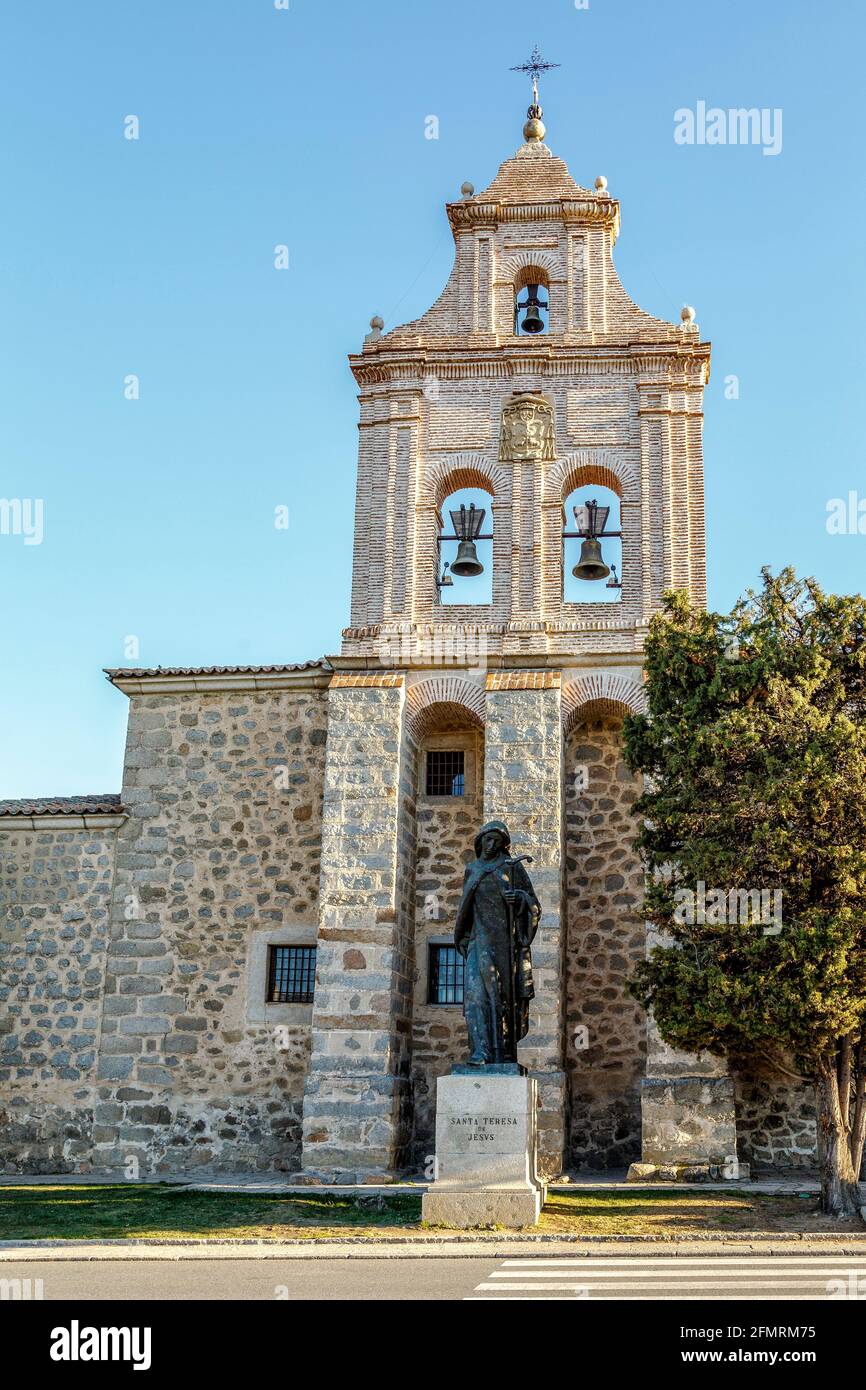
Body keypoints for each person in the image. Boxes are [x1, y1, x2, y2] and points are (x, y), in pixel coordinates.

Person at [453, 820, 540, 1065]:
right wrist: (463, 937)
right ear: (480, 841)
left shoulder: (512, 869)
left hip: (504, 946)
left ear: (503, 845)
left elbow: (534, 904)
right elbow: (465, 909)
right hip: (478, 942)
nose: (491, 845)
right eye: (487, 839)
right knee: (474, 996)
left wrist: (521, 899)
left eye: (497, 841)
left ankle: (502, 1053)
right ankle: (480, 1052)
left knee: (502, 998)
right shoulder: (472, 869)